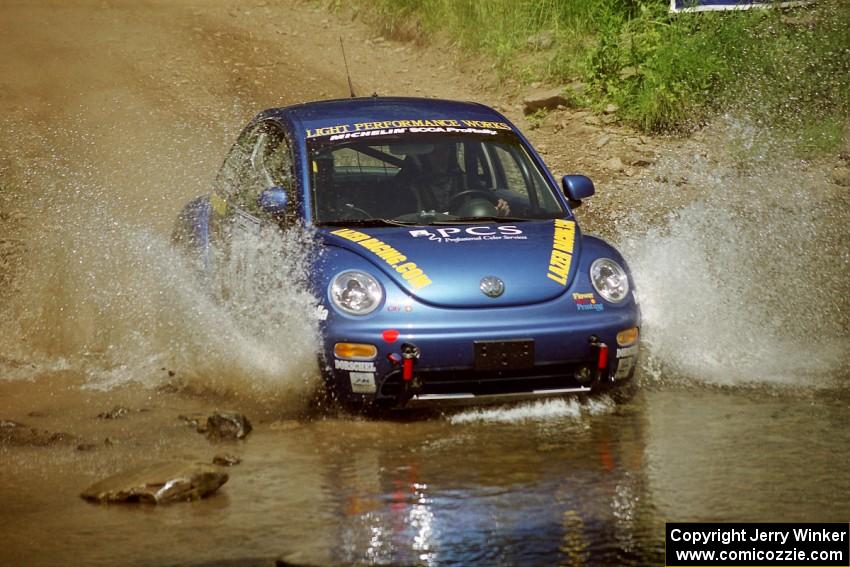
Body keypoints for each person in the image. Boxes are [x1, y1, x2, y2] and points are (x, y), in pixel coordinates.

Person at [412, 143, 510, 216]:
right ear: (424, 156)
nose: (440, 157)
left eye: (445, 150)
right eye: (434, 152)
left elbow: (491, 205)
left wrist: (500, 209)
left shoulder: (466, 181)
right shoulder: (409, 187)